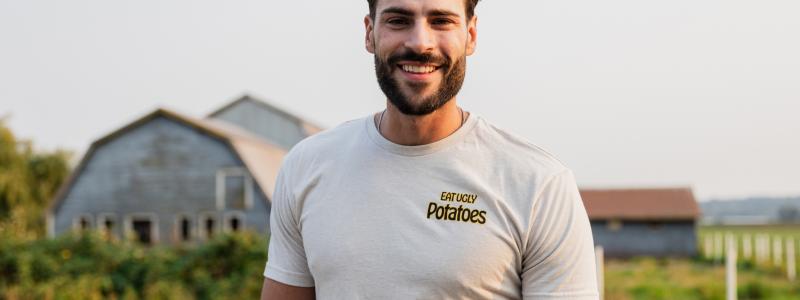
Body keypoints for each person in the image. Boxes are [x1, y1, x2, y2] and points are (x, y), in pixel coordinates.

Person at [260, 0, 598, 299]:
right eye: (398, 20)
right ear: (369, 33)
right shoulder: (306, 166)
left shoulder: (539, 184)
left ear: (471, 34)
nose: (420, 42)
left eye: (441, 21)